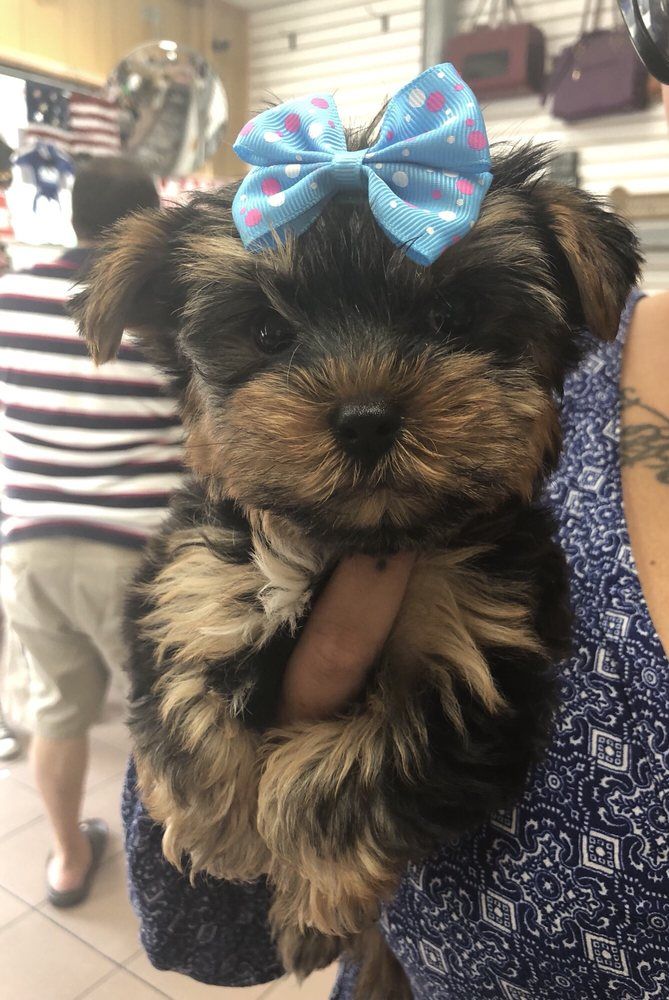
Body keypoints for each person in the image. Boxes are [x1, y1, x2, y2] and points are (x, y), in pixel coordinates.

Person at [0, 157, 184, 907]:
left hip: (30, 546)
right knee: (159, 717)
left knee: (56, 710)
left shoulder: (9, 295)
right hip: (138, 550)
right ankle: (167, 860)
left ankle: (68, 860)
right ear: (150, 218)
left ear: (73, 215)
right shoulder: (167, 303)